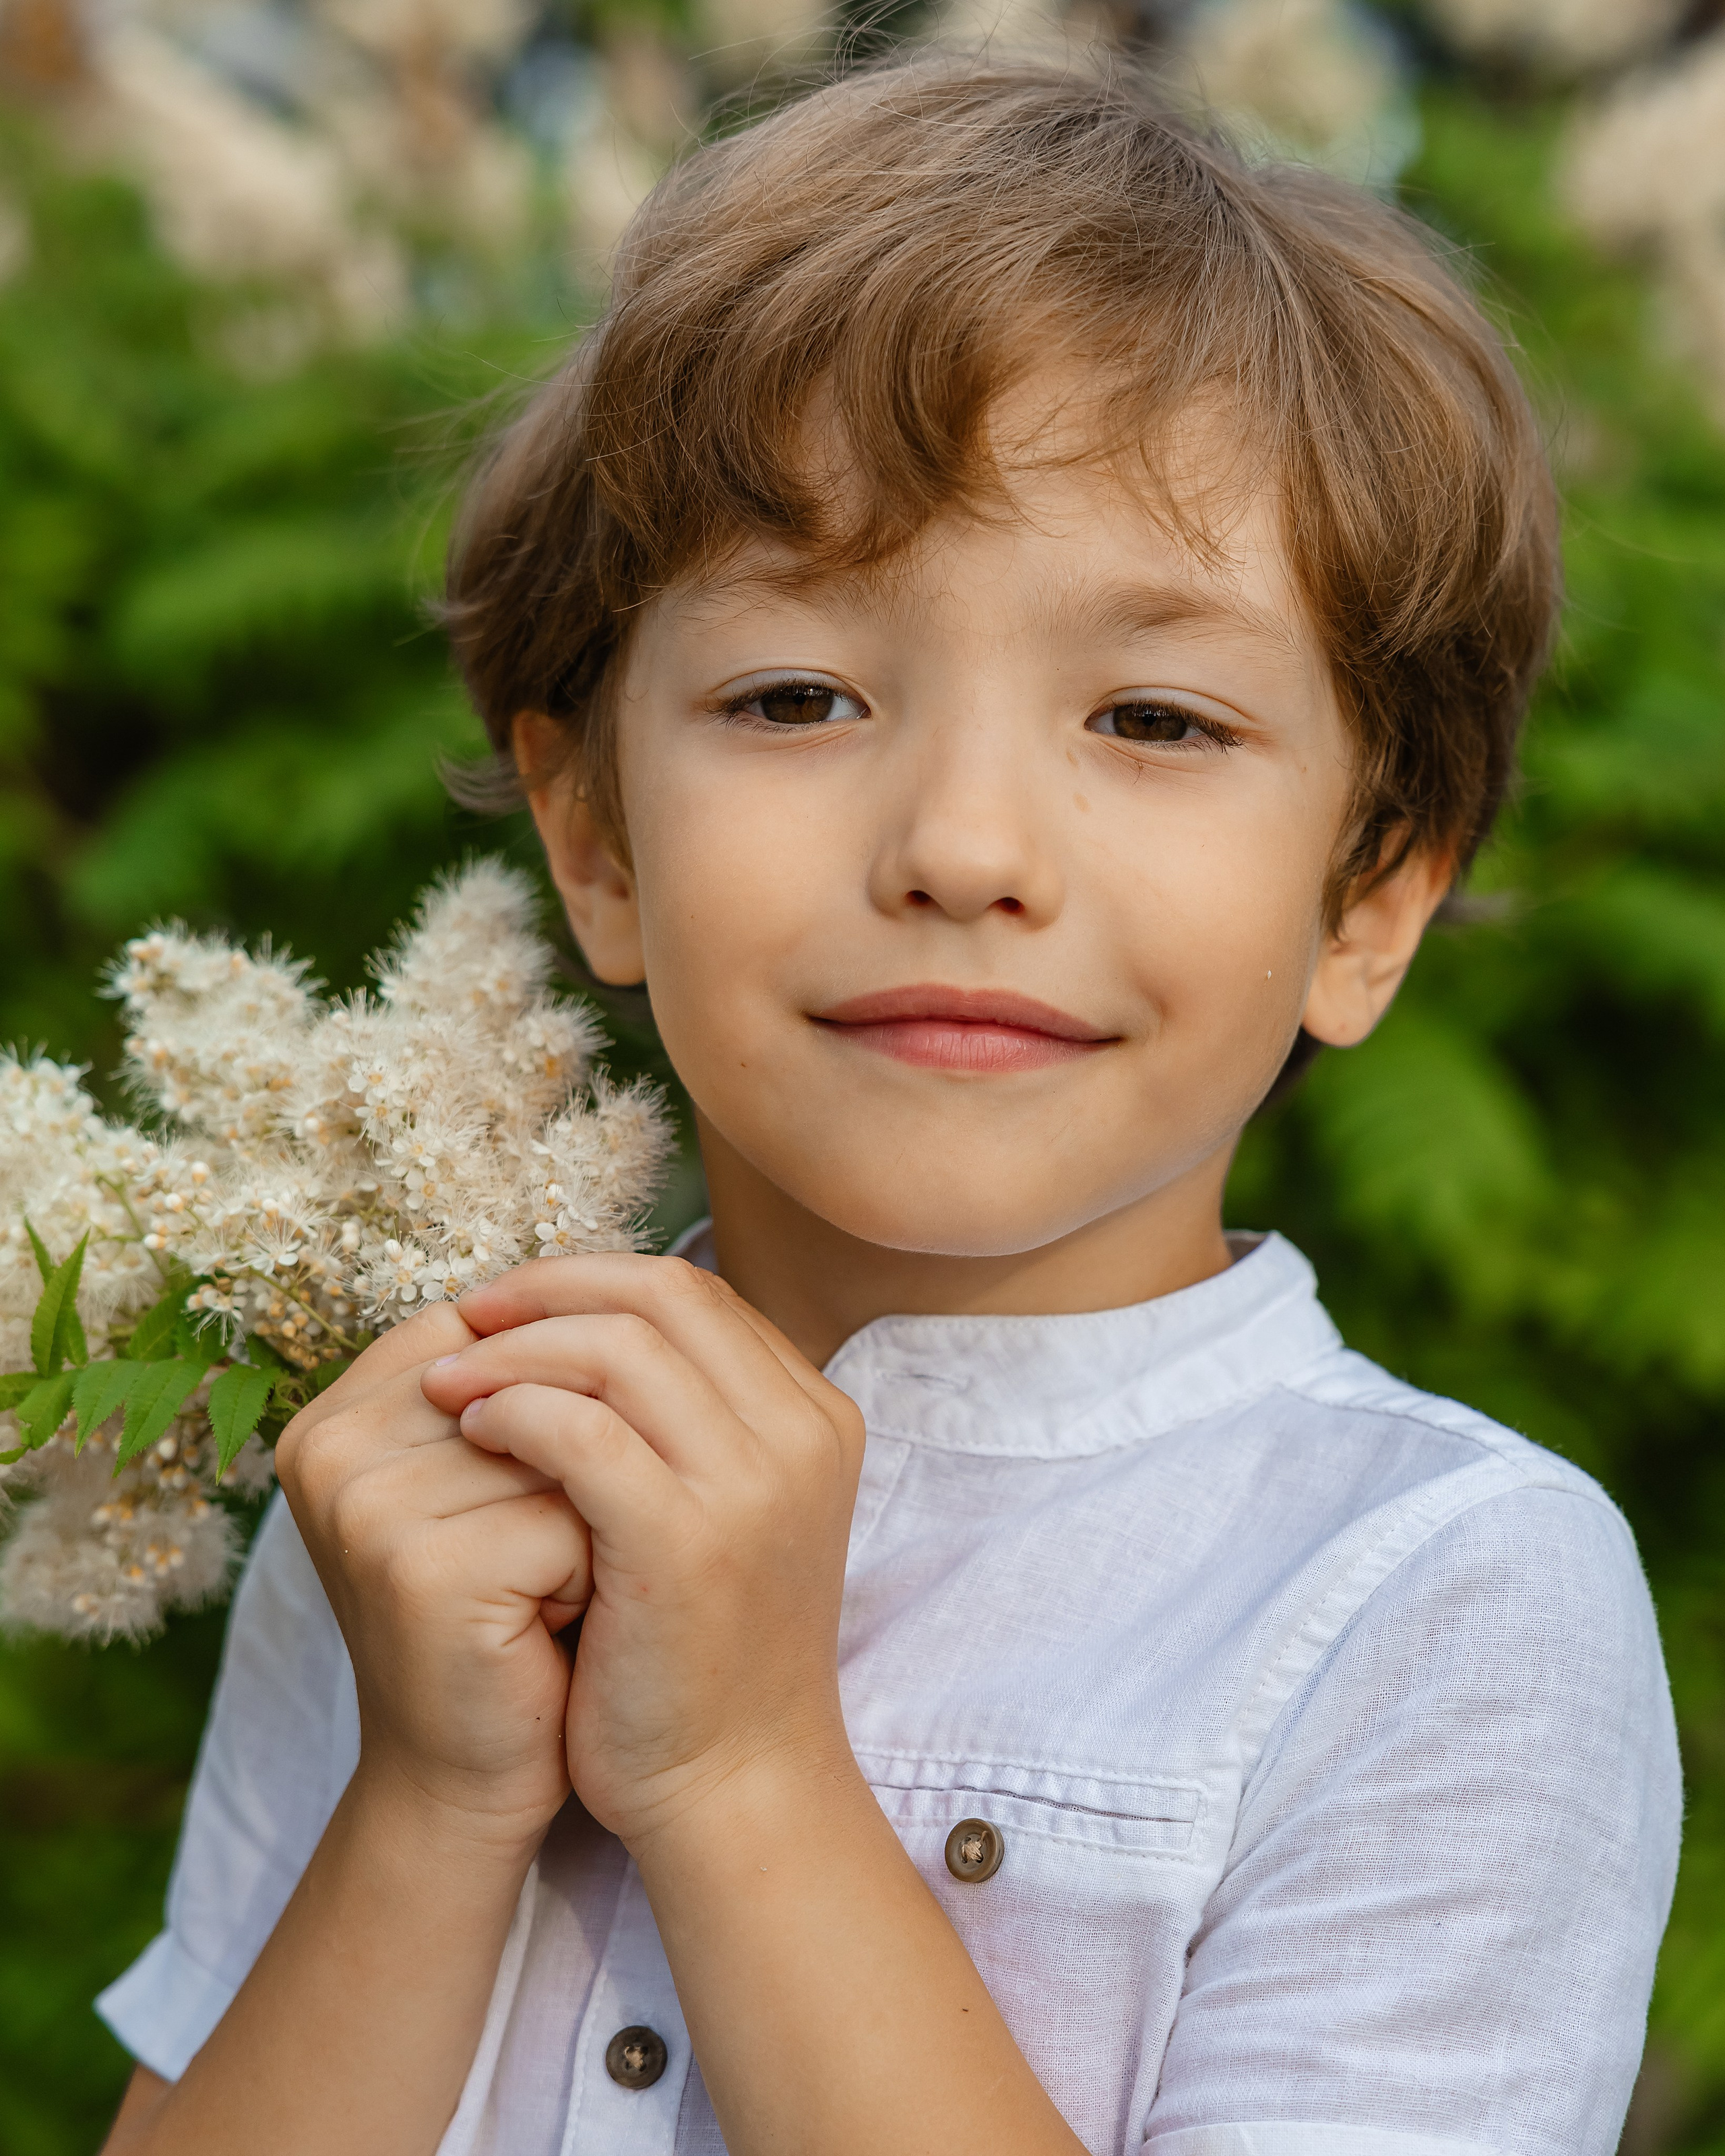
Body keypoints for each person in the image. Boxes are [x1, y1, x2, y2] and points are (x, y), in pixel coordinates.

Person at [96, 52, 1681, 2156]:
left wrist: (745, 1773)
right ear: (597, 839)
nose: (962, 846)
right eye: (798, 695)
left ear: (1369, 898)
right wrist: (432, 1796)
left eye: (1155, 717)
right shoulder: (425, 1479)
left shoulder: (1444, 1600)